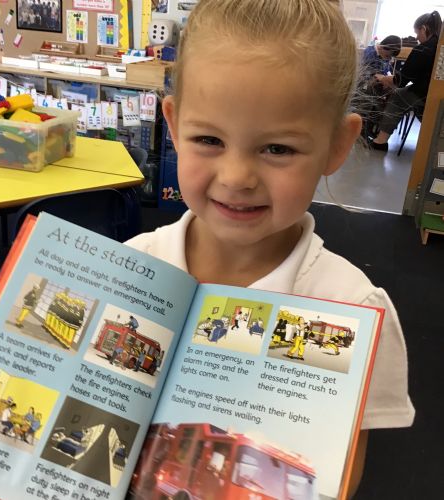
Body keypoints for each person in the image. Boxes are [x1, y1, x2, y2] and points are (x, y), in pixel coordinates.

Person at [125, 0, 414, 495]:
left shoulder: (351, 309)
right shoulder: (131, 267)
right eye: (209, 139)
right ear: (172, 124)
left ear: (337, 145)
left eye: (277, 148)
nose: (237, 177)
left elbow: (336, 476)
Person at [369, 11, 443, 151]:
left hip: (425, 93)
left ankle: (380, 141)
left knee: (397, 96)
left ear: (424, 29)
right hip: (434, 92)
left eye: (417, 33)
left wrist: (383, 78)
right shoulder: (439, 45)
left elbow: (400, 80)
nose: (417, 37)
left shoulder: (423, 49)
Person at [358, 35, 402, 138]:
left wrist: (386, 78)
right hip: (365, 83)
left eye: (390, 57)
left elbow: (386, 70)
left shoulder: (384, 55)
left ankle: (376, 125)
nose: (389, 59)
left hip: (377, 84)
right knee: (370, 90)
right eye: (388, 56)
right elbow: (364, 72)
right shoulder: (370, 53)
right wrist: (376, 76)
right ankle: (364, 126)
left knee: (392, 93)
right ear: (383, 47)